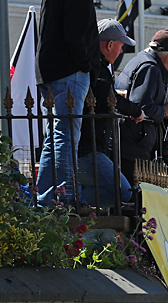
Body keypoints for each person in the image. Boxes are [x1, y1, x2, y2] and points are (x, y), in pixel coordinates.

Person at [35, 0, 99, 205]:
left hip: (49, 70)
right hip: (69, 70)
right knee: (65, 134)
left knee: (54, 136)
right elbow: (75, 35)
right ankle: (65, 195)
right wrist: (85, 65)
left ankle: (46, 197)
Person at [76, 19, 144, 209]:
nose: (121, 51)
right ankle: (72, 198)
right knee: (125, 192)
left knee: (119, 193)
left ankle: (75, 197)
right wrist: (136, 110)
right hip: (88, 149)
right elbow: (108, 98)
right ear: (110, 44)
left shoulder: (95, 64)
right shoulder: (96, 66)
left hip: (90, 147)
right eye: (121, 46)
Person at [115, 30, 168, 185]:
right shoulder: (150, 67)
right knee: (131, 197)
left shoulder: (144, 61)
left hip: (131, 143)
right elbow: (140, 106)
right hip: (132, 146)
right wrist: (165, 111)